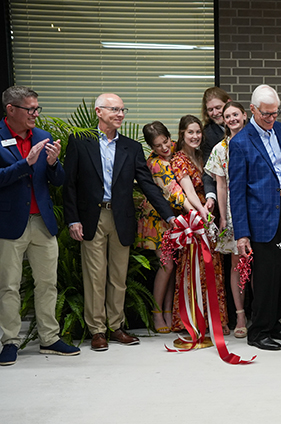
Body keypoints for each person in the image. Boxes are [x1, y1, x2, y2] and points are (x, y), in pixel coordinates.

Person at [64, 93, 175, 351]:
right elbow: (69, 184)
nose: (120, 114)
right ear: (98, 111)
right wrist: (72, 220)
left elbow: (146, 184)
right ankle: (97, 330)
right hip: (92, 217)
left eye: (123, 110)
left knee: (118, 276)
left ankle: (116, 327)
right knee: (95, 276)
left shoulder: (131, 147)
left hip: (121, 217)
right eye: (114, 109)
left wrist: (169, 214)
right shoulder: (81, 141)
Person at [0, 85, 80, 366]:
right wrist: (26, 163)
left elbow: (56, 181)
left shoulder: (44, 137)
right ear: (11, 110)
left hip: (42, 222)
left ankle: (49, 338)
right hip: (9, 223)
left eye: (37, 108)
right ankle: (9, 341)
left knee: (47, 283)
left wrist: (54, 163)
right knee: (8, 286)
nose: (35, 114)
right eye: (30, 109)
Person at [229, 84, 281, 352]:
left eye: (276, 113)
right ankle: (257, 331)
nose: (272, 119)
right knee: (265, 275)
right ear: (252, 110)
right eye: (266, 114)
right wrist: (241, 233)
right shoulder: (240, 143)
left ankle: (274, 324)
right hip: (259, 216)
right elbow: (236, 192)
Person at [169, 115, 228, 334]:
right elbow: (188, 191)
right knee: (195, 269)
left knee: (213, 268)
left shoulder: (202, 156)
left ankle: (215, 318)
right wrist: (201, 212)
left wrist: (210, 204)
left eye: (198, 132)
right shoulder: (179, 159)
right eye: (190, 132)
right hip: (194, 220)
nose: (195, 136)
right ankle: (194, 319)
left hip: (209, 216)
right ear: (182, 134)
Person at [137, 121, 189, 334]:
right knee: (166, 265)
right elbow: (173, 193)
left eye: (166, 141)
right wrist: (197, 210)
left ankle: (169, 312)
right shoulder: (156, 164)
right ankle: (157, 313)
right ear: (151, 147)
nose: (164, 148)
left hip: (175, 218)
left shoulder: (179, 150)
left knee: (173, 267)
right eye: (158, 146)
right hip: (157, 219)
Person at [205, 101, 249, 338]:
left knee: (256, 263)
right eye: (226, 115)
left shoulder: (256, 141)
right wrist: (223, 216)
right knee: (236, 265)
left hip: (256, 206)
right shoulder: (221, 149)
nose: (231, 118)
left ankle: (259, 313)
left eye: (235, 114)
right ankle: (240, 314)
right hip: (233, 208)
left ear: (244, 115)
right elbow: (220, 186)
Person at [199, 87, 231, 216]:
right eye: (210, 109)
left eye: (218, 107)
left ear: (228, 103)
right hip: (225, 194)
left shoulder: (246, 126)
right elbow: (209, 170)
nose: (215, 112)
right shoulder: (207, 135)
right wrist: (210, 196)